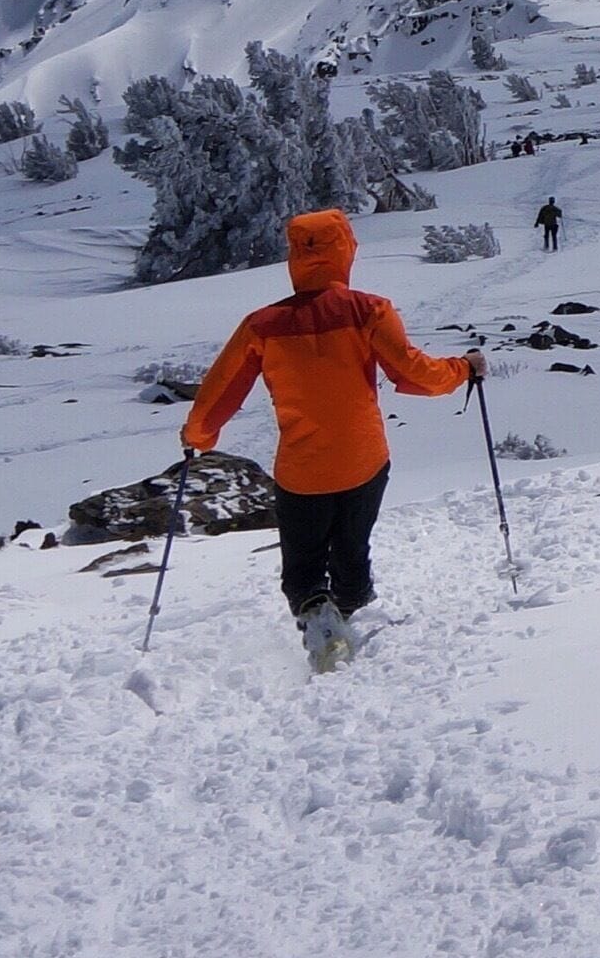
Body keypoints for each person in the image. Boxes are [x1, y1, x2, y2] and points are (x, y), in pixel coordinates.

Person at [181, 208, 484, 670]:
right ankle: (349, 606)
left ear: (294, 256)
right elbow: (413, 372)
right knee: (352, 550)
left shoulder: (262, 325)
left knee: (303, 567)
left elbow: (223, 387)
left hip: (302, 471)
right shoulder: (369, 310)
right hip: (365, 461)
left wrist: (197, 434)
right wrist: (463, 368)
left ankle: (317, 614)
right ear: (345, 250)